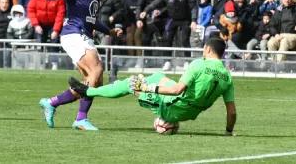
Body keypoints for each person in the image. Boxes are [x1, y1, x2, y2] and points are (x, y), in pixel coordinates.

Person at [68, 37, 237, 135]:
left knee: (131, 83)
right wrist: (228, 132)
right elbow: (232, 112)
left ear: (207, 49)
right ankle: (138, 81)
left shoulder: (199, 64)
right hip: (191, 111)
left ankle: (88, 91)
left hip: (172, 107)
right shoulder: (227, 76)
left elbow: (176, 90)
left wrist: (148, 88)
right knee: (158, 76)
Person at [39, 0, 123, 131]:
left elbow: (91, 19)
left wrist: (109, 31)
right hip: (73, 33)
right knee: (97, 68)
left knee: (93, 81)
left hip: (85, 35)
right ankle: (81, 118)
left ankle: (52, 103)